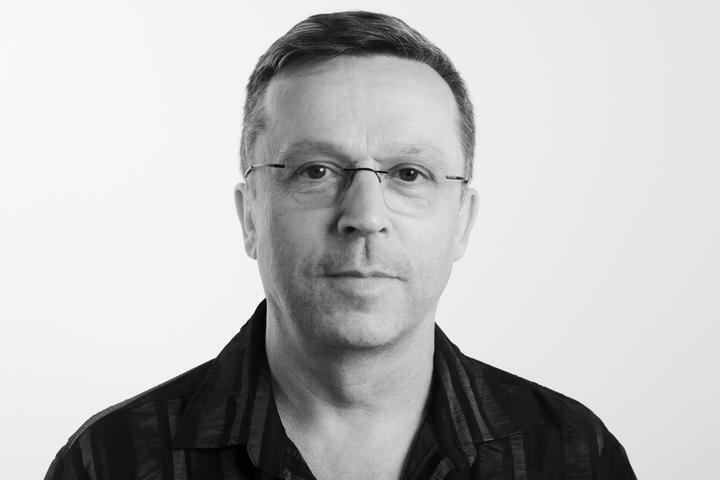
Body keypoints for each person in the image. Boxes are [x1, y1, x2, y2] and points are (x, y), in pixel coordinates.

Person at [44, 11, 636, 480]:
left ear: (462, 221)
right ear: (250, 216)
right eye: (317, 171)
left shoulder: (574, 457)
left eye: (409, 174)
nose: (365, 216)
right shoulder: (108, 464)